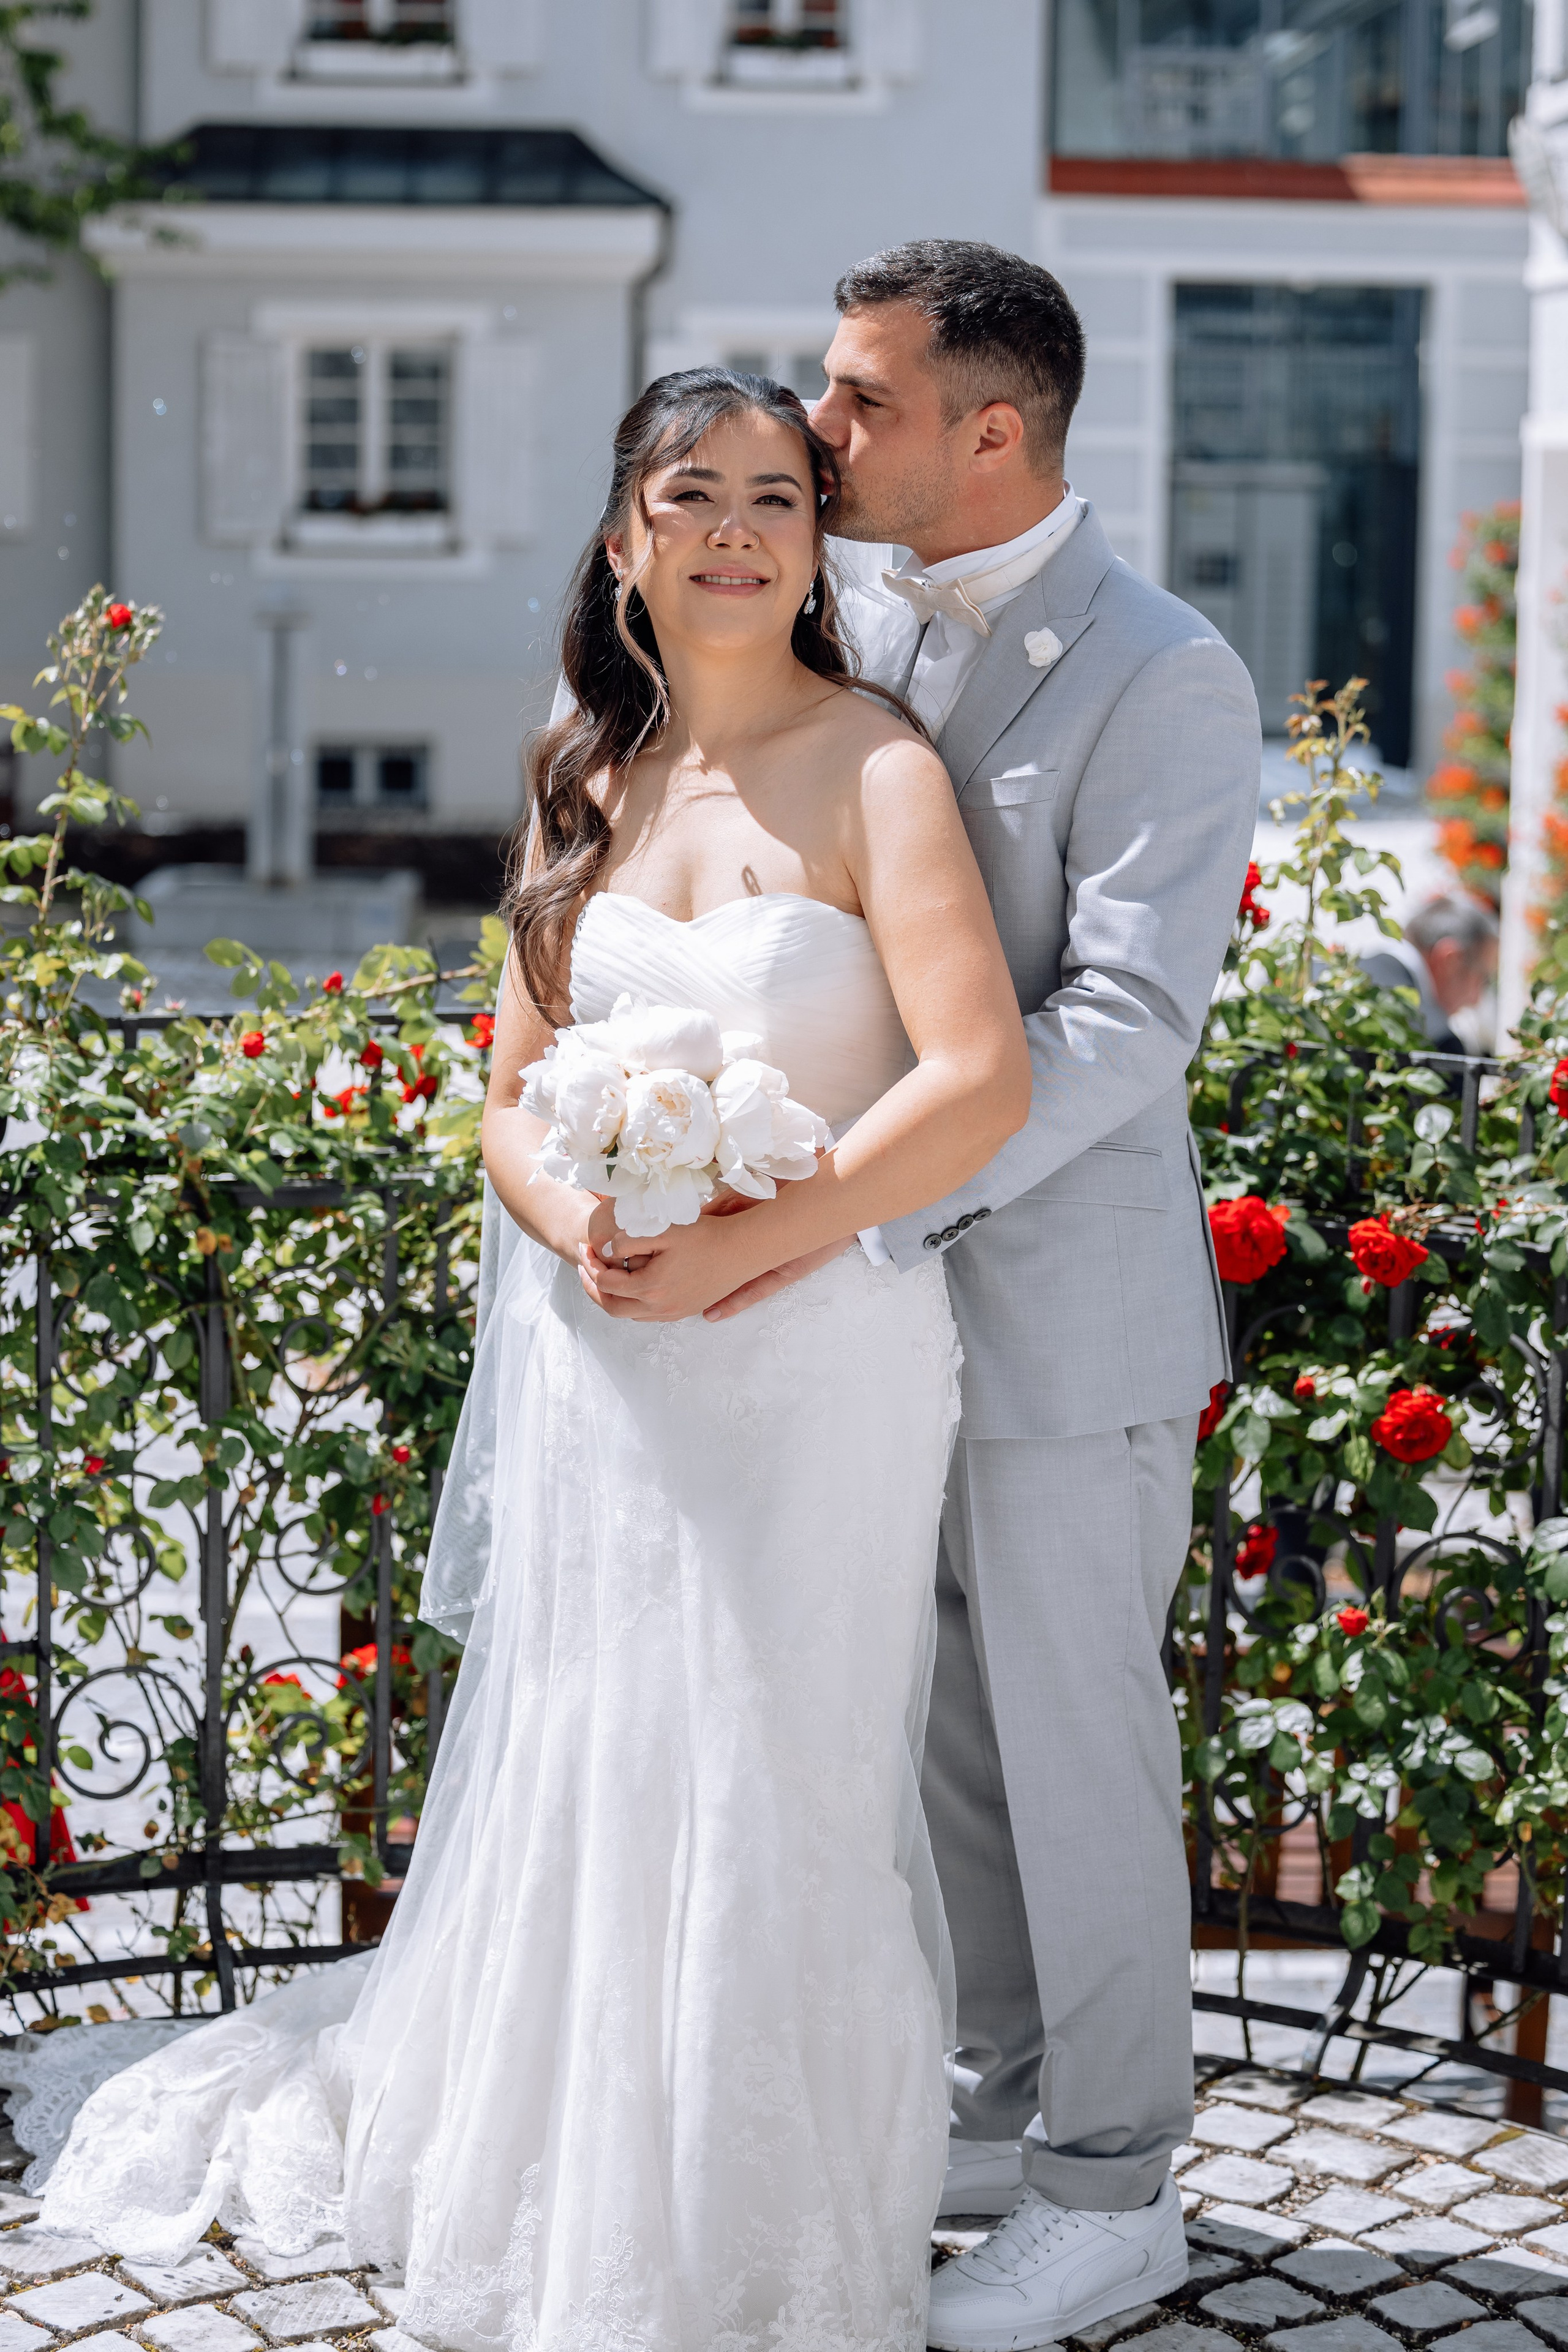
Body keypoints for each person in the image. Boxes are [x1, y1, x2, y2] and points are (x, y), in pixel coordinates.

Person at [9, 370, 1033, 2351]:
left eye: (776, 499)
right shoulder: (589, 767)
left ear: (816, 549)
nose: (738, 530)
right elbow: (505, 1096)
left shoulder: (878, 766)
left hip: (816, 1364)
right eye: (693, 495)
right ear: (628, 536)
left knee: (776, 1790)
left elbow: (976, 1084)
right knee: (602, 1773)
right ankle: (585, 2221)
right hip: (613, 1368)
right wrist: (583, 1233)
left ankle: (763, 2255)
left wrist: (747, 1246)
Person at [650, 241, 1263, 2352]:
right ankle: (1008, 2114)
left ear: (990, 430)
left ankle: (1119, 2190)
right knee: (953, 1753)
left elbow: (1126, 1024)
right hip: (874, 1328)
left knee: (1080, 1751)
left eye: (860, 401)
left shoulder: (1164, 668)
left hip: (1055, 1312)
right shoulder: (868, 623)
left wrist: (858, 1204)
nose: (818, 440)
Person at [1360, 889, 1498, 1056]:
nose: (1476, 1001)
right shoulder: (1439, 1044)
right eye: (1484, 979)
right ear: (1451, 961)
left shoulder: (1329, 975)